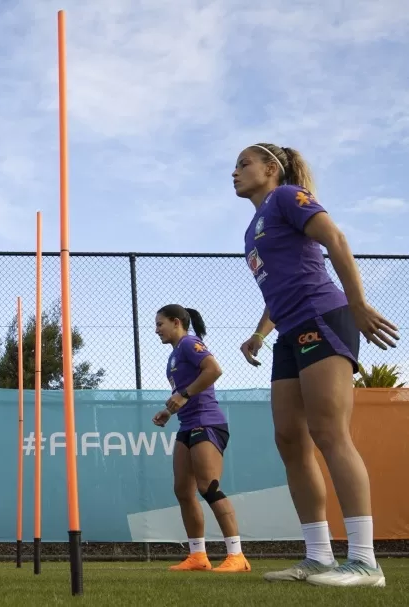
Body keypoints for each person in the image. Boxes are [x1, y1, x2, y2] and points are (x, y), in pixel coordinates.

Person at [234, 143, 398, 588]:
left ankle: (365, 562)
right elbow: (280, 286)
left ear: (271, 169)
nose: (235, 172)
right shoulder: (252, 229)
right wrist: (260, 334)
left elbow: (336, 240)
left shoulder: (288, 197)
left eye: (244, 164)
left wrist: (359, 305)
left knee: (329, 432)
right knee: (289, 439)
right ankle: (319, 557)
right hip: (288, 329)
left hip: (323, 317)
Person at [152, 305, 250, 574]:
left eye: (160, 324)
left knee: (209, 487)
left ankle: (237, 555)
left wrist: (182, 394)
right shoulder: (174, 355)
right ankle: (198, 556)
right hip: (187, 424)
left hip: (208, 423)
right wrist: (168, 411)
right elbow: (184, 394)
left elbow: (214, 370)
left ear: (176, 322)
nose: (156, 329)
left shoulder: (189, 343)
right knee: (183, 491)